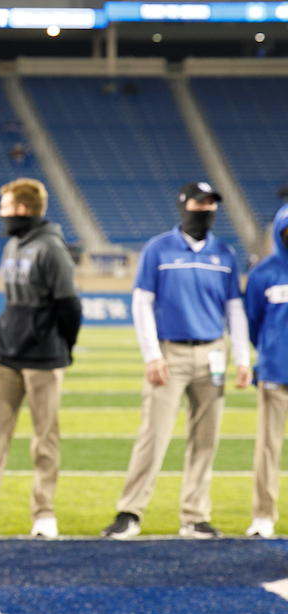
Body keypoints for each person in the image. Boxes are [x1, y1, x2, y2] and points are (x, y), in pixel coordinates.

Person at [101, 182, 252, 539]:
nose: (206, 209)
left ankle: (195, 516)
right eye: (200, 202)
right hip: (170, 352)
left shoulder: (226, 254)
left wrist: (242, 359)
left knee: (206, 438)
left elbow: (235, 311)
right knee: (153, 435)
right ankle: (130, 511)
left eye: (212, 203)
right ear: (183, 205)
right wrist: (152, 354)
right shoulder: (158, 249)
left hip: (214, 352)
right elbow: (141, 304)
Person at [0, 178, 81, 539]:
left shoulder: (51, 248)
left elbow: (70, 306)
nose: (1, 213)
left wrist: (61, 349)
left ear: (23, 209)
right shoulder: (13, 246)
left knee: (44, 440)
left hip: (43, 359)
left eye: (5, 206)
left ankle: (44, 514)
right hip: (7, 356)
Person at [243, 202, 288, 538]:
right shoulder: (263, 273)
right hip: (275, 374)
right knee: (268, 448)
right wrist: (269, 354)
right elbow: (253, 323)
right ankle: (263, 515)